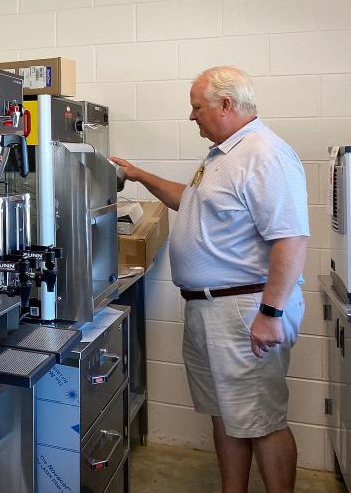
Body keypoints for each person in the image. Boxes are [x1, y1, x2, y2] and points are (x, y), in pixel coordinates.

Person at [111, 65, 309, 493]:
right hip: (211, 307)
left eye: (196, 107)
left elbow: (291, 239)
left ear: (226, 104)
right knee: (228, 414)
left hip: (247, 308)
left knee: (263, 421)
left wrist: (270, 313)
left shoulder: (263, 154)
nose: (191, 116)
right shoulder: (224, 154)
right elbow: (193, 201)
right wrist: (139, 174)